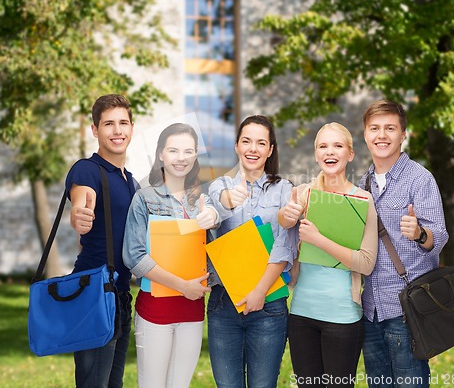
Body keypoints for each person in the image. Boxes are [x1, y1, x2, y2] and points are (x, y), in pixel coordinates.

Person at [278, 122, 378, 388]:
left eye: (337, 146)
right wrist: (285, 217)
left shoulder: (363, 200)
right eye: (323, 146)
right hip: (301, 315)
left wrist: (319, 240)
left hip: (342, 317)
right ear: (315, 154)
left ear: (350, 154)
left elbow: (366, 264)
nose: (329, 152)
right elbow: (283, 227)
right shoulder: (301, 194)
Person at [359, 99, 449, 388]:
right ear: (365, 134)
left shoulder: (420, 180)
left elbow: (439, 237)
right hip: (370, 310)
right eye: (375, 128)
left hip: (405, 311)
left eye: (390, 128)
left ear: (403, 134)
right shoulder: (363, 184)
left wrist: (420, 233)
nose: (381, 135)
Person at [122, 123, 218, 388]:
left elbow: (214, 247)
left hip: (192, 311)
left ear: (196, 156)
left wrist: (213, 217)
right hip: (156, 311)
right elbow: (134, 256)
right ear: (161, 154)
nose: (181, 157)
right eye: (173, 150)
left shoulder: (203, 199)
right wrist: (182, 286)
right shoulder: (144, 198)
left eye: (188, 151)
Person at [207, 115, 296, 388]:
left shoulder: (284, 190)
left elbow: (285, 244)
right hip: (224, 305)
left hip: (268, 305)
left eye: (261, 143)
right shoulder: (219, 186)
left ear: (270, 149)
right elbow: (214, 215)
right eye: (246, 141)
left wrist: (260, 291)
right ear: (236, 146)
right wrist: (227, 202)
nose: (253, 149)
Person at [65, 94, 137, 388]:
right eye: (108, 124)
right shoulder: (87, 169)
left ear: (133, 127)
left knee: (113, 383)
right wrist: (79, 217)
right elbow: (81, 204)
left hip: (120, 294)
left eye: (123, 123)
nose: (117, 130)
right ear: (95, 130)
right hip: (93, 294)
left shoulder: (132, 181)